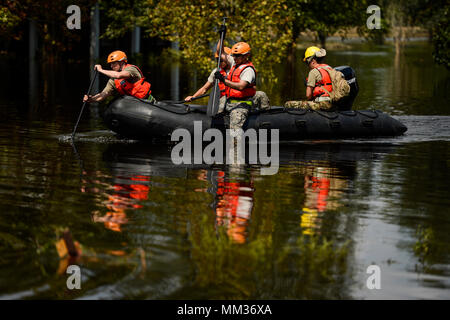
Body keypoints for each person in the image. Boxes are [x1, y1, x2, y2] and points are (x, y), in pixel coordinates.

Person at [214, 42, 270, 131]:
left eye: (237, 55)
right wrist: (222, 35)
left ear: (246, 56)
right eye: (233, 55)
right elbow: (220, 52)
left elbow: (241, 87)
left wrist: (224, 80)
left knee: (235, 128)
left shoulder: (248, 70)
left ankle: (236, 144)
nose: (234, 58)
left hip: (243, 104)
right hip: (230, 101)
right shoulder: (234, 63)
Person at [83, 50, 155, 103]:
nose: (111, 66)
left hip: (146, 101)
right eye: (110, 64)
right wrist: (91, 99)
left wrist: (100, 70)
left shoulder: (131, 69)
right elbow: (103, 94)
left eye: (114, 63)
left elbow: (118, 75)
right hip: (133, 105)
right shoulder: (113, 80)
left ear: (122, 62)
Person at [284, 46, 334, 111]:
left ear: (312, 61)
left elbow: (308, 95)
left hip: (322, 105)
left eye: (307, 62)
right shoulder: (330, 68)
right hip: (332, 104)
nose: (307, 65)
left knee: (288, 104)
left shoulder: (313, 72)